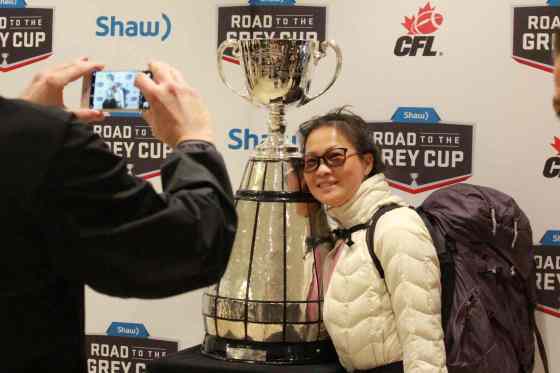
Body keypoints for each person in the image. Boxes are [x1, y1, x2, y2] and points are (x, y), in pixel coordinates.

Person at [1, 57, 237, 373]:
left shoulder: (37, 138)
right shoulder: (45, 140)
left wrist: (30, 128)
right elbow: (193, 244)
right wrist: (194, 139)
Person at [297, 107, 447, 373]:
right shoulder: (346, 231)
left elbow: (423, 341)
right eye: (311, 162)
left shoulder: (396, 226)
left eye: (335, 157)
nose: (321, 170)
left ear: (367, 163)